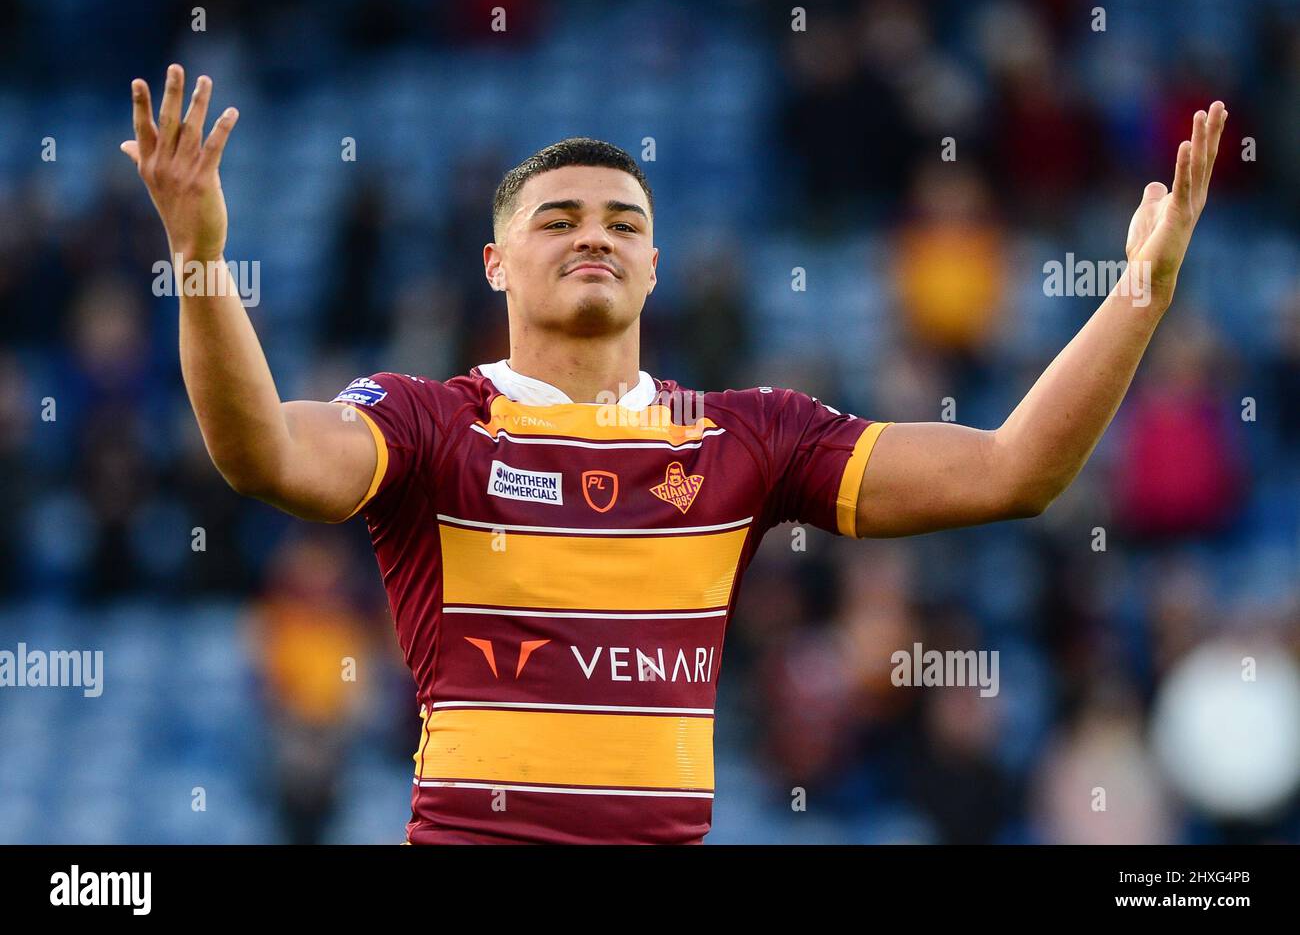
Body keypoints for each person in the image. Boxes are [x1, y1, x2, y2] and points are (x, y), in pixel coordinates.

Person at [120, 63, 1227, 844]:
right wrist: (202, 259)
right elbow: (260, 453)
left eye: (620, 219)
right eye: (556, 219)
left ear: (654, 265)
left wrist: (1141, 292)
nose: (592, 233)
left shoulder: (749, 435)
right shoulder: (426, 422)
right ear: (497, 263)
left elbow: (1013, 471)